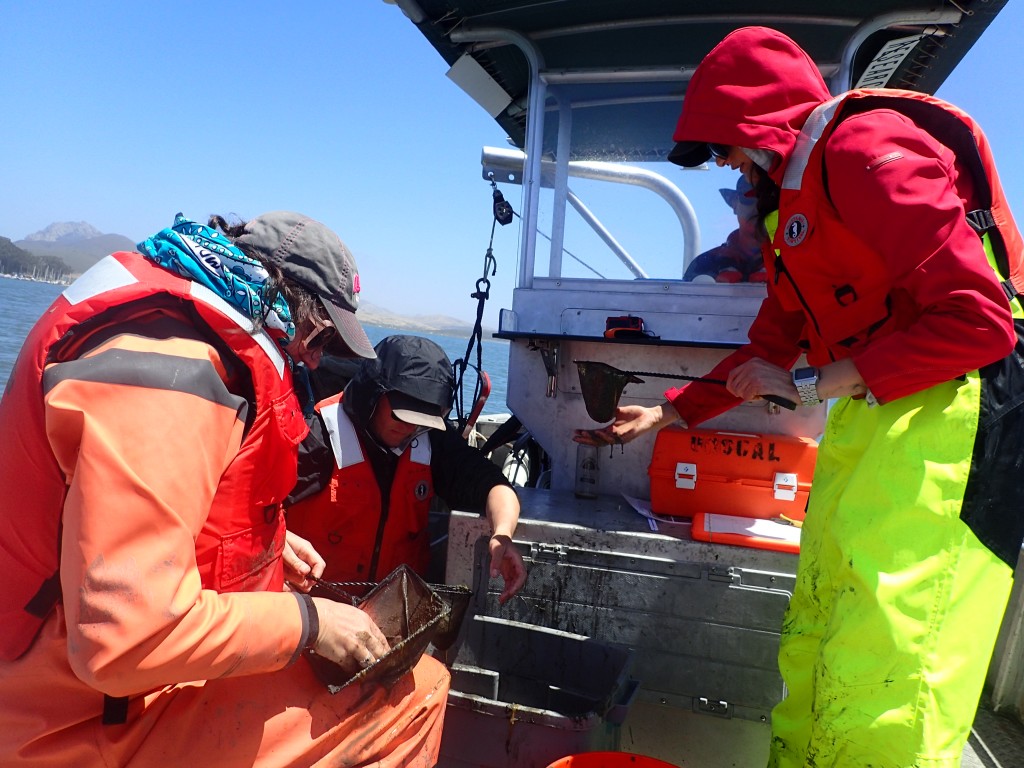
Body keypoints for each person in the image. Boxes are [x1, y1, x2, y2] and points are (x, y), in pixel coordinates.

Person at [578, 26, 1024, 768]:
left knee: (891, 667)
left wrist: (818, 382)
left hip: (958, 411)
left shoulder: (862, 150)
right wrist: (666, 412)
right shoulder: (796, 216)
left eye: (723, 148)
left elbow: (979, 323)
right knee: (817, 630)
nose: (724, 166)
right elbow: (768, 348)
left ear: (762, 127)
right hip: (877, 408)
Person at [0, 212, 450, 766]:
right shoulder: (170, 374)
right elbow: (122, 642)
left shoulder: (178, 338)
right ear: (285, 302)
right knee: (420, 693)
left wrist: (267, 542)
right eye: (323, 336)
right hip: (72, 723)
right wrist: (311, 623)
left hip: (102, 691)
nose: (314, 359)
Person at [285, 334, 527, 605]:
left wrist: (502, 535)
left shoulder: (431, 441)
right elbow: (251, 511)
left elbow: (492, 485)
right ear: (372, 396)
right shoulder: (318, 437)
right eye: (402, 415)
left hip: (392, 611)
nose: (410, 429)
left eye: (422, 420)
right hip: (314, 608)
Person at [683, 175, 766, 283]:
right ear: (734, 204)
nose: (758, 207)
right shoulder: (705, 263)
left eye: (768, 200)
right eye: (748, 198)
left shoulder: (792, 261)